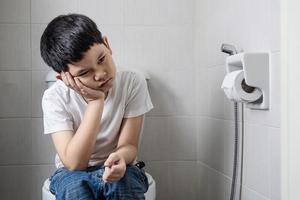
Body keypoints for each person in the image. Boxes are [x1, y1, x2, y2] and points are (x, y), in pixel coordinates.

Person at [40, 13, 153, 200]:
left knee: (124, 186)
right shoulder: (54, 97)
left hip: (119, 165)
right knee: (75, 188)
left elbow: (129, 145)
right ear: (64, 78)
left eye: (101, 59)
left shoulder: (132, 82)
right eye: (84, 72)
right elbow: (75, 164)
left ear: (107, 45)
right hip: (71, 172)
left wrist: (121, 159)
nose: (101, 74)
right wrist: (95, 102)